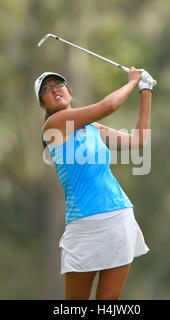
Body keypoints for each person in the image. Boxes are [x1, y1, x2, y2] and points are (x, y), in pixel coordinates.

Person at [35, 67, 154, 300]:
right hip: (83, 226)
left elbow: (139, 141)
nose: (54, 90)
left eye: (58, 84)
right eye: (46, 89)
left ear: (69, 90)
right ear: (42, 104)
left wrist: (145, 90)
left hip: (119, 218)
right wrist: (132, 82)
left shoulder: (93, 130)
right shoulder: (53, 126)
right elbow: (109, 106)